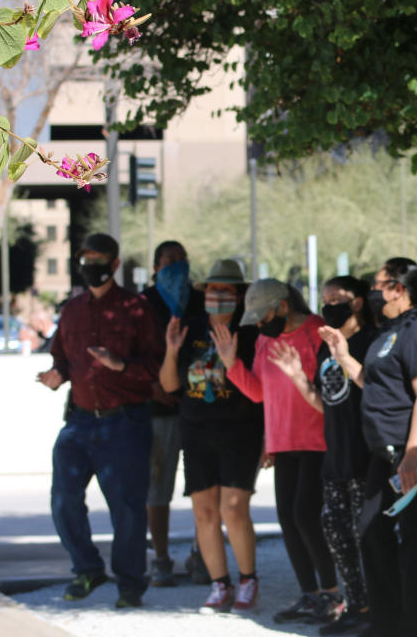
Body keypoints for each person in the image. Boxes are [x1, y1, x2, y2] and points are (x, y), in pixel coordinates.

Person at [36, 233, 163, 608]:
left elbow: (157, 365)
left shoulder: (136, 308)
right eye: (85, 260)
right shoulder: (72, 310)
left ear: (114, 264)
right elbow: (61, 356)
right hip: (78, 421)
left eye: (98, 260)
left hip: (125, 421)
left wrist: (121, 364)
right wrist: (56, 374)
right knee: (63, 500)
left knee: (126, 507)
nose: (91, 267)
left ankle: (129, 583)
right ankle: (87, 569)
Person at [319, 257, 417, 637]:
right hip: (381, 454)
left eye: (378, 285)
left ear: (397, 289)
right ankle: (386, 623)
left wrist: (413, 454)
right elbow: (371, 382)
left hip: (406, 454)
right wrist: (342, 355)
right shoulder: (390, 329)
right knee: (371, 536)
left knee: (415, 547)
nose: (373, 292)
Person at [215, 279, 340, 624]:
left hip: (317, 441)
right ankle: (309, 596)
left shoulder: (318, 332)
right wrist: (230, 364)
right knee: (288, 519)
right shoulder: (265, 339)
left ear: (283, 306)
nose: (258, 323)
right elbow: (259, 393)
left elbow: (330, 394)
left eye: (263, 314)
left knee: (306, 515)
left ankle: (332, 594)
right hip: (283, 442)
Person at [268, 275, 377, 634]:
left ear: (357, 301)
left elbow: (374, 390)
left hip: (365, 455)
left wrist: (345, 355)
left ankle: (379, 610)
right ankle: (357, 607)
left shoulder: (369, 341)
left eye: (336, 298)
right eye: (325, 298)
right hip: (335, 456)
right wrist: (298, 377)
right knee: (335, 532)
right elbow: (324, 402)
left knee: (368, 537)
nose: (328, 304)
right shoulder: (323, 345)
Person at [158, 259, 264, 613]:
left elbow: (260, 391)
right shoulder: (190, 329)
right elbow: (170, 385)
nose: (216, 296)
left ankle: (248, 579)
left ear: (239, 295)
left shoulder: (250, 333)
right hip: (196, 431)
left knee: (234, 509)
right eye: (212, 290)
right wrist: (172, 351)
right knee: (203, 512)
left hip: (240, 430)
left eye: (225, 290)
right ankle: (221, 585)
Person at [141, 240, 204, 587]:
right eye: (169, 260)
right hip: (158, 409)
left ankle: (202, 553)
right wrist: (153, 386)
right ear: (155, 267)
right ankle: (161, 558)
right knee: (157, 488)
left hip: (197, 405)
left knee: (202, 487)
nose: (177, 265)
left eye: (182, 259)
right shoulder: (143, 304)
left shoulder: (199, 301)